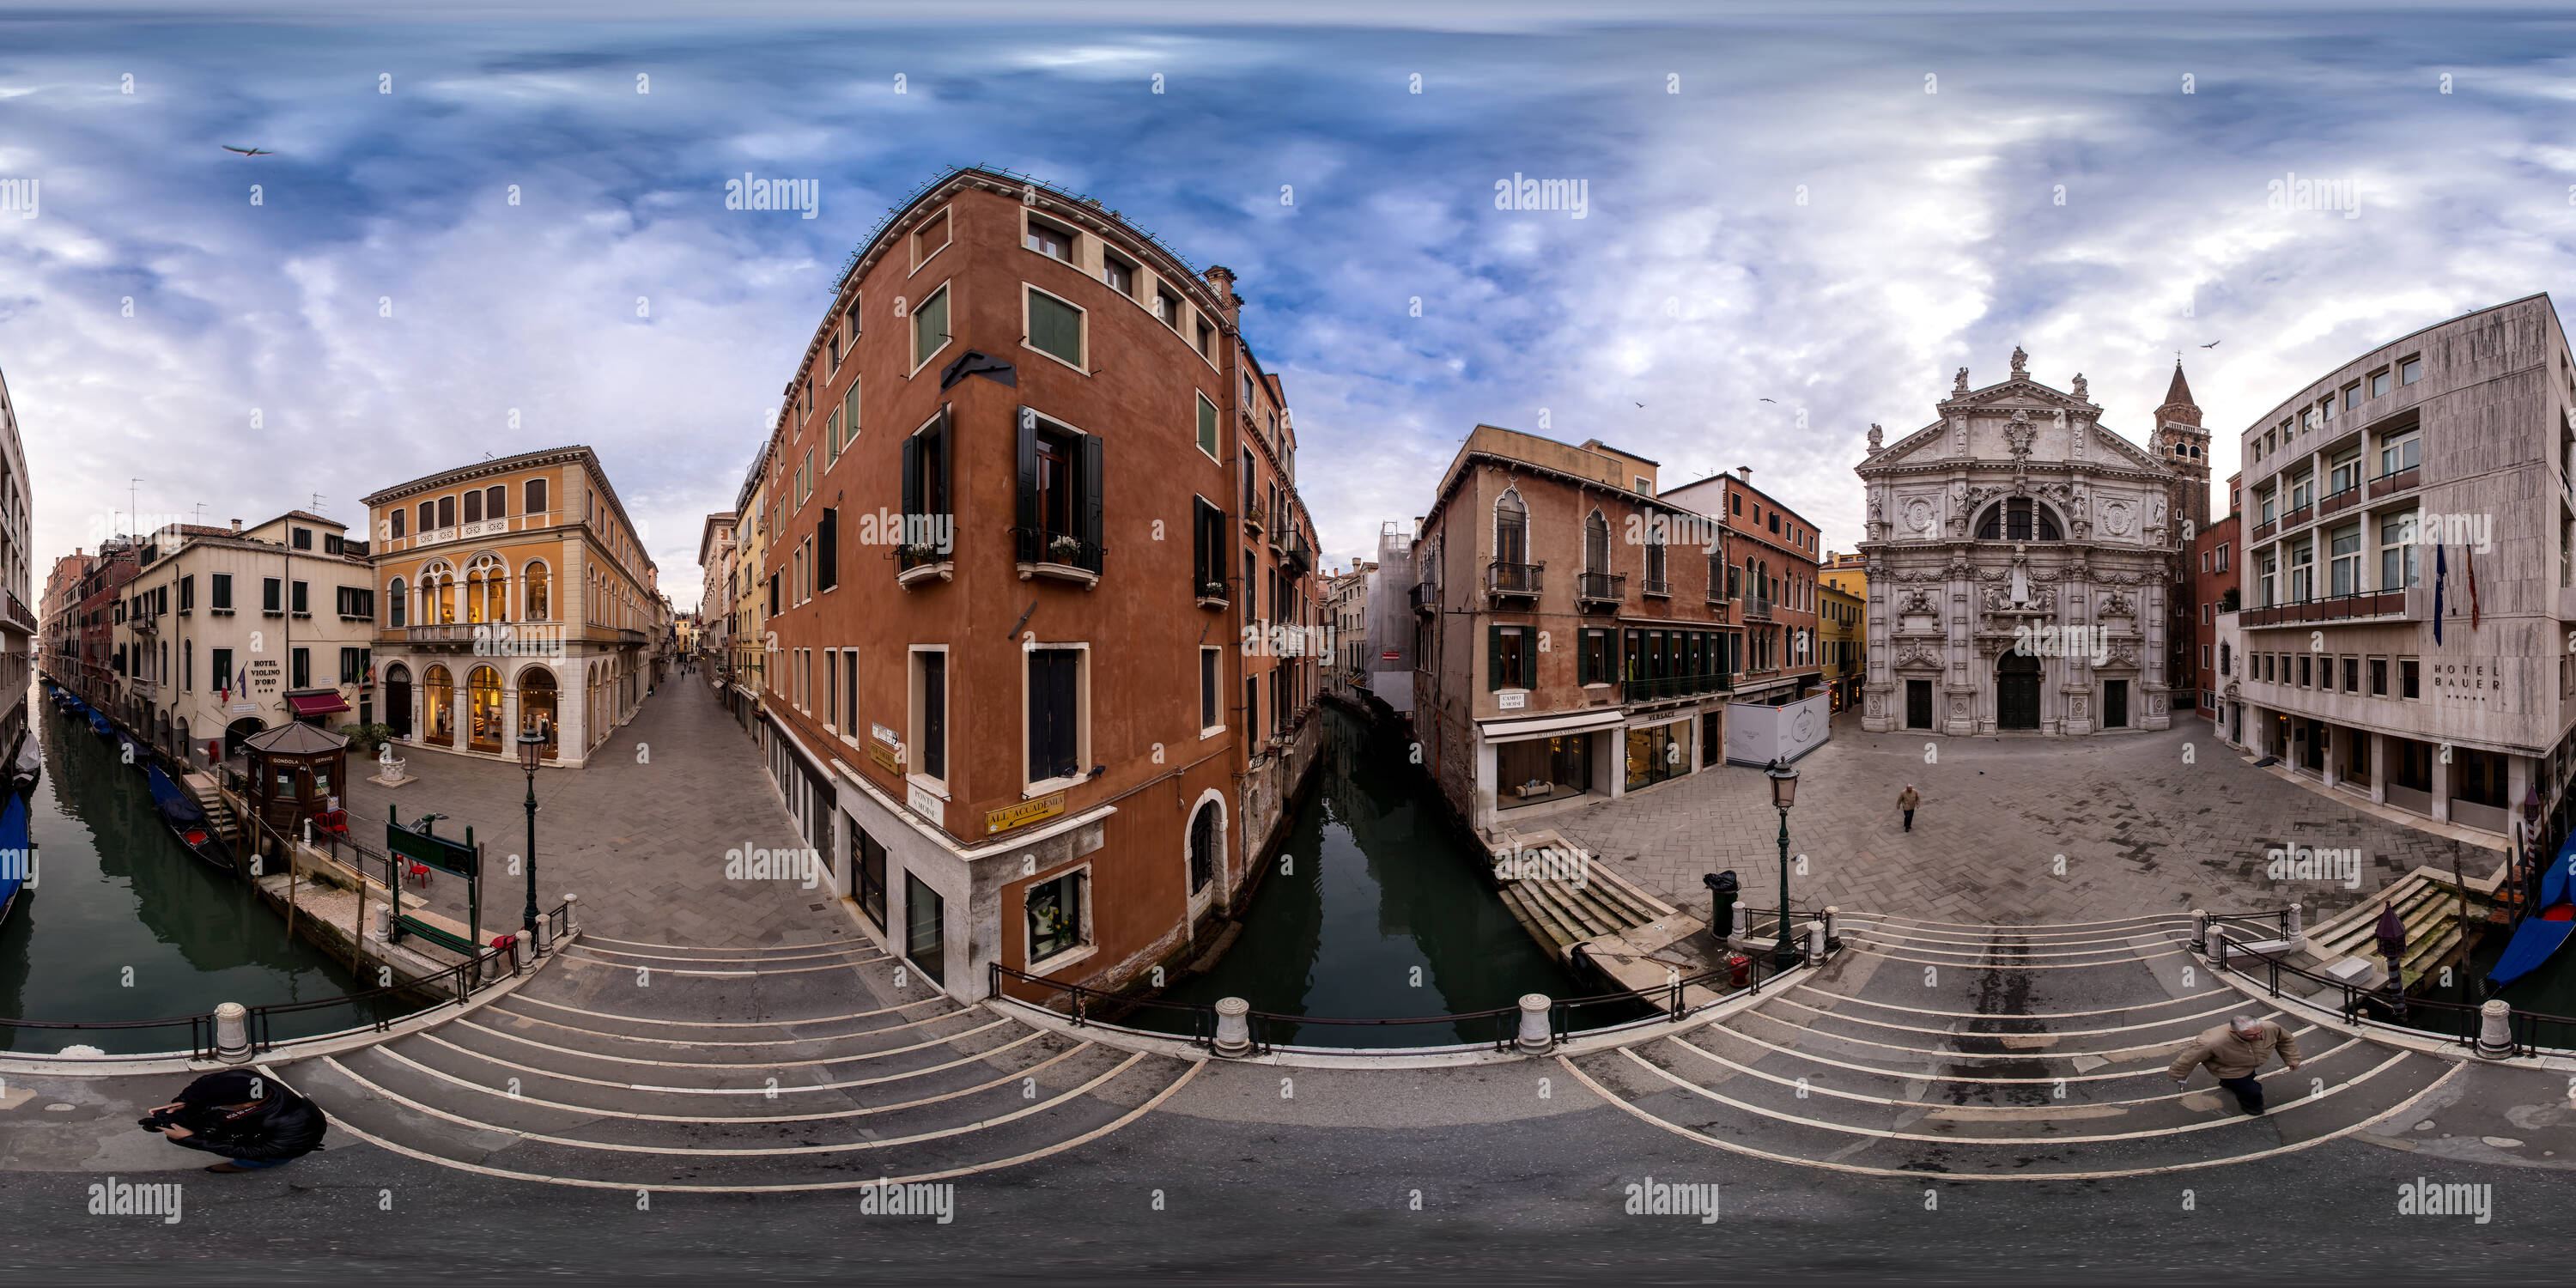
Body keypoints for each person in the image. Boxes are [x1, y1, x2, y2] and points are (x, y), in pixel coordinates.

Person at [141, 1069, 326, 1172]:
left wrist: (189, 1138)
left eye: (222, 1103)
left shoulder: (297, 1123)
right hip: (252, 1128)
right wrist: (184, 1101)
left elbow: (256, 1150)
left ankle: (240, 1167)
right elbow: (204, 1084)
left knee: (259, 1160)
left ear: (244, 1105)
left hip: (276, 1148)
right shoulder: (248, 1081)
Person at [2168, 1014, 2303, 1115]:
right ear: (2235, 1032)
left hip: (2249, 1064)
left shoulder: (2270, 1027)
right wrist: (2179, 1076)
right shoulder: (2211, 1042)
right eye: (2252, 1035)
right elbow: (2188, 1059)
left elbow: (2285, 1041)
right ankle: (2253, 1107)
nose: (2259, 1037)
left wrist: (2292, 1059)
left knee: (2247, 1078)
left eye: (2259, 1032)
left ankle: (2228, 1084)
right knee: (2252, 1090)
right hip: (2230, 1070)